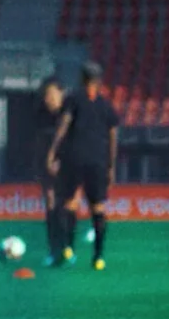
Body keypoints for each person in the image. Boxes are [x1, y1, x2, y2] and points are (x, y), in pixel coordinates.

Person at [50, 62, 121, 269]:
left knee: (70, 203)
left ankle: (69, 247)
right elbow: (113, 136)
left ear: (82, 79)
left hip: (74, 158)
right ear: (99, 81)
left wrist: (53, 151)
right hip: (98, 161)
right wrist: (111, 165)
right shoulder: (106, 105)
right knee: (98, 208)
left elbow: (63, 126)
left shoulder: (73, 99)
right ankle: (98, 257)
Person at [33, 78, 69, 266]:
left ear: (61, 94)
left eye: (52, 94)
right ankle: (54, 249)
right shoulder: (41, 116)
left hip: (67, 165)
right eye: (46, 95)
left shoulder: (68, 114)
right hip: (46, 165)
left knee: (66, 205)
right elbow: (40, 144)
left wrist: (61, 159)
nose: (49, 99)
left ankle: (66, 248)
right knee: (50, 203)